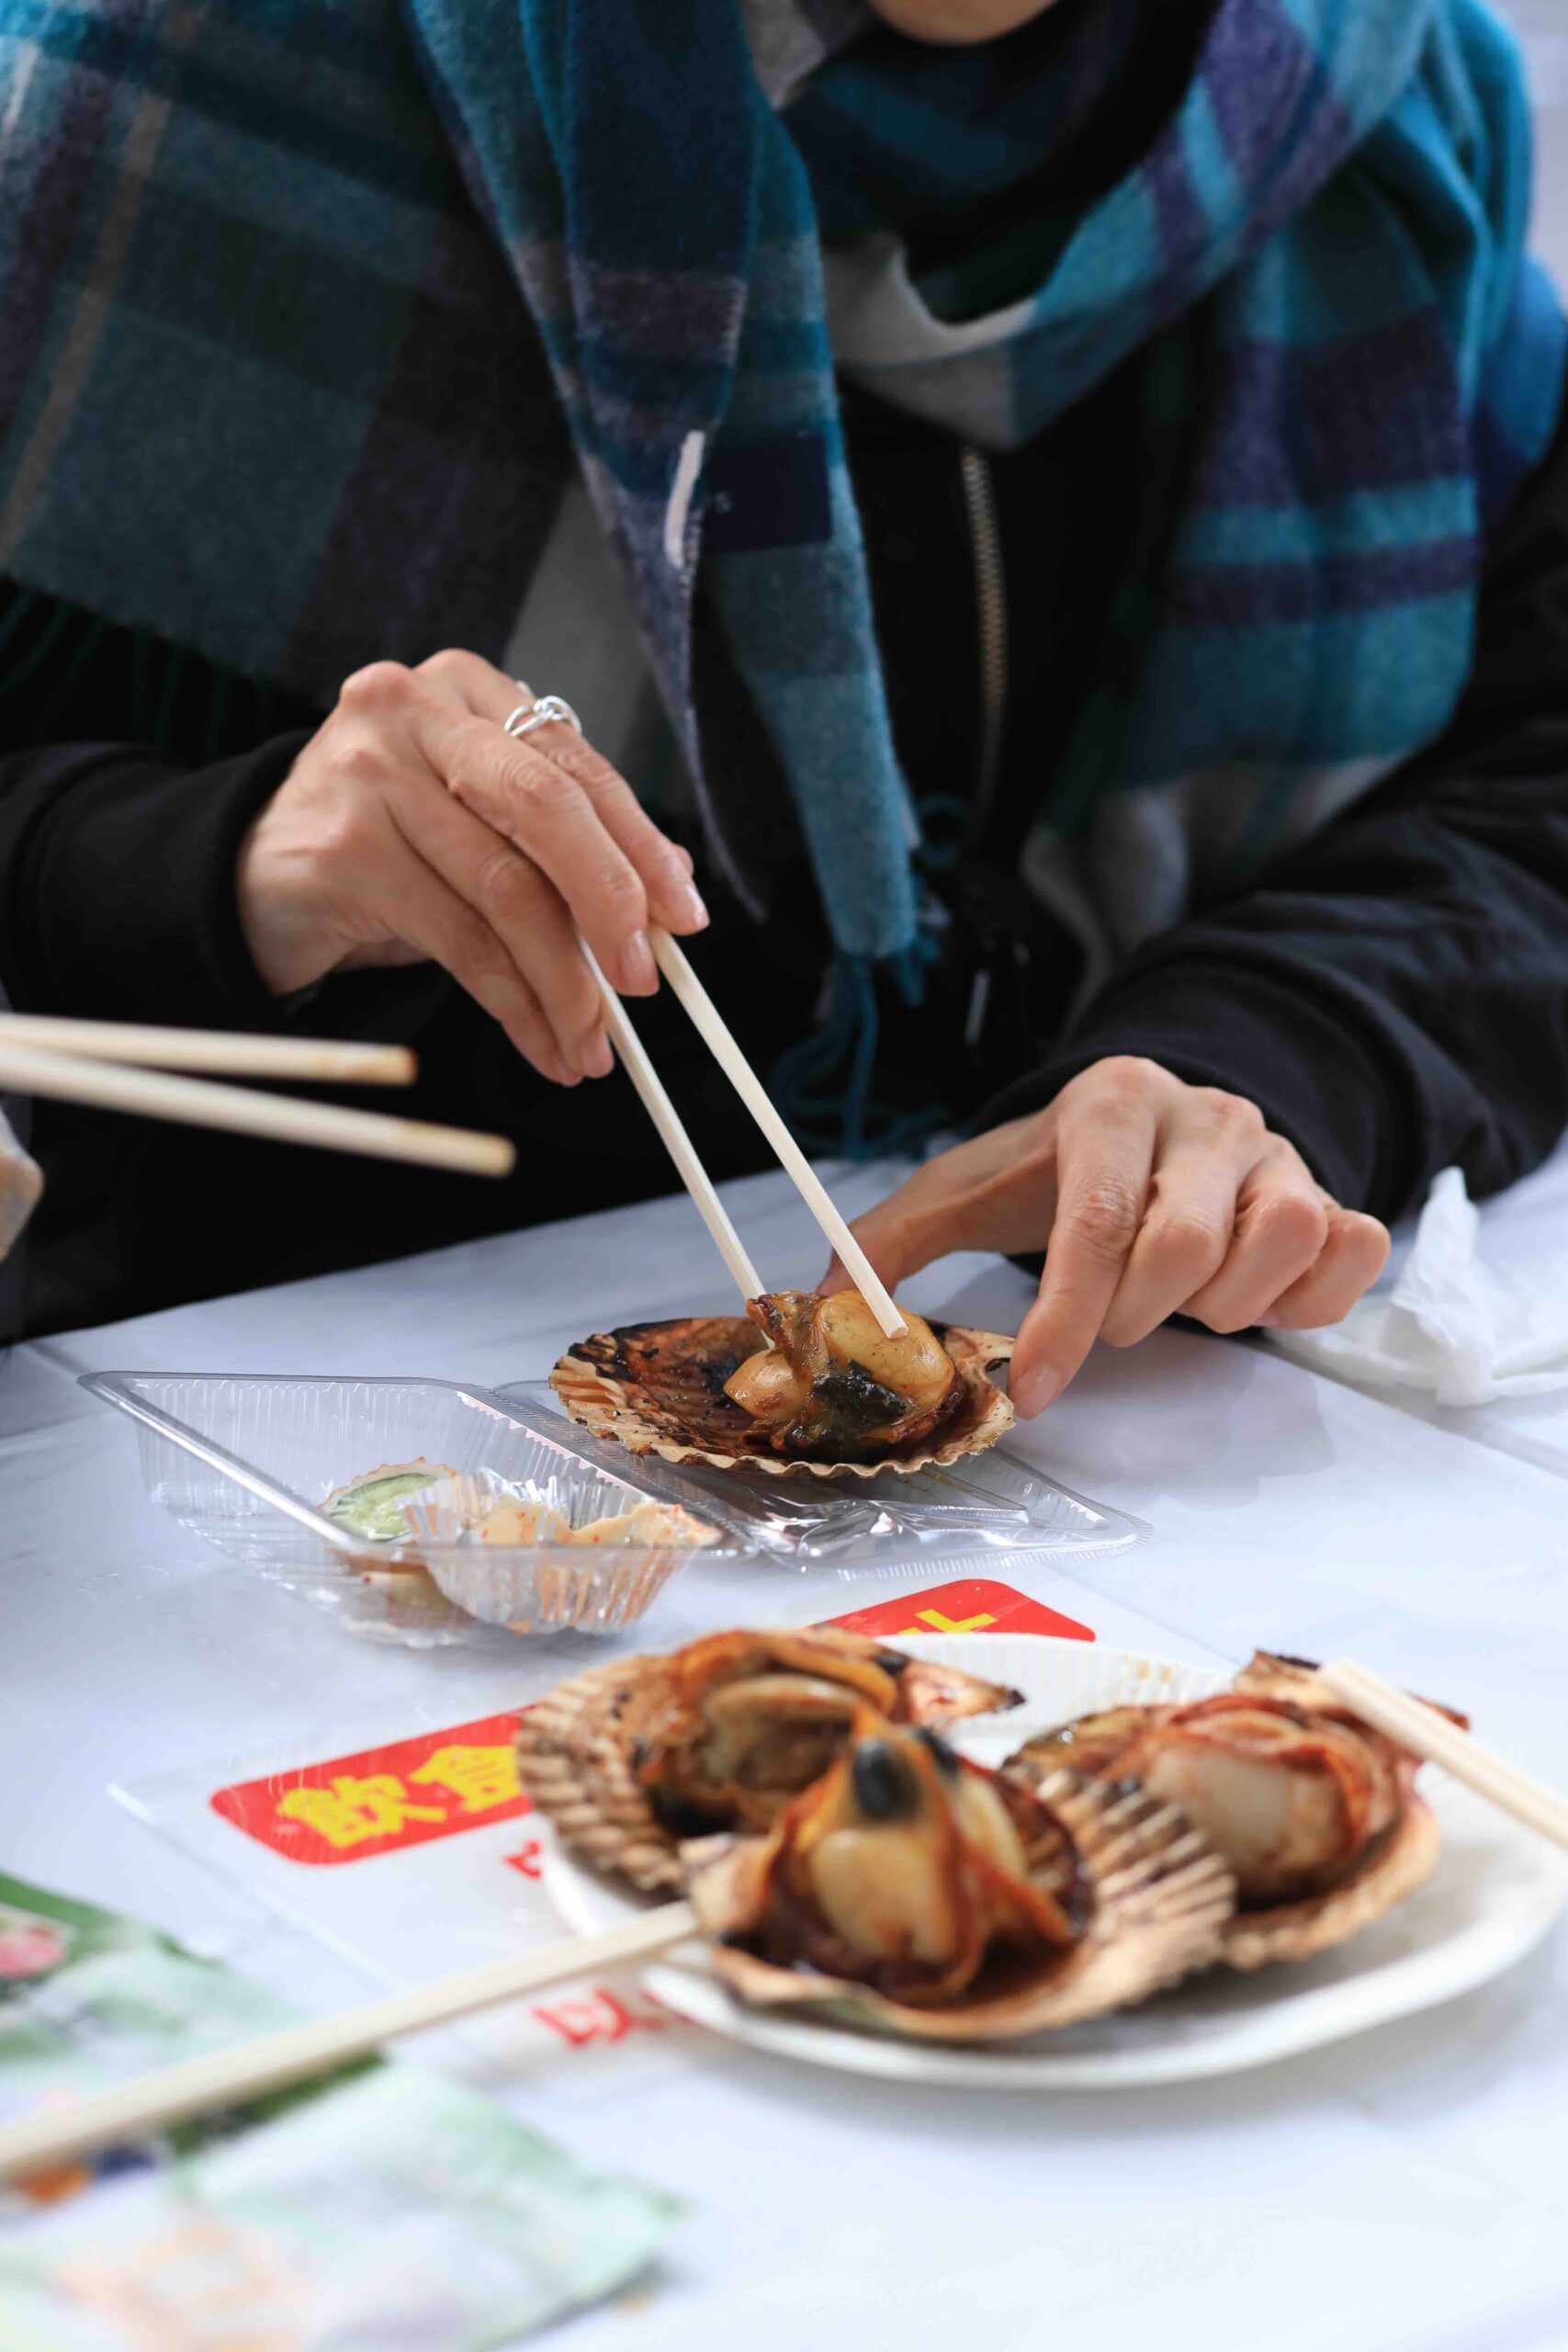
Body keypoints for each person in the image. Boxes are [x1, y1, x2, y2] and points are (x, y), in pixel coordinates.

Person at [0, 0, 1563, 1419]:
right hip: (298, 1487)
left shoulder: (1393, 111)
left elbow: (1532, 786)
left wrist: (1267, 1055)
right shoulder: (170, 75)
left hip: (1113, 1444)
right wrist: (204, 863)